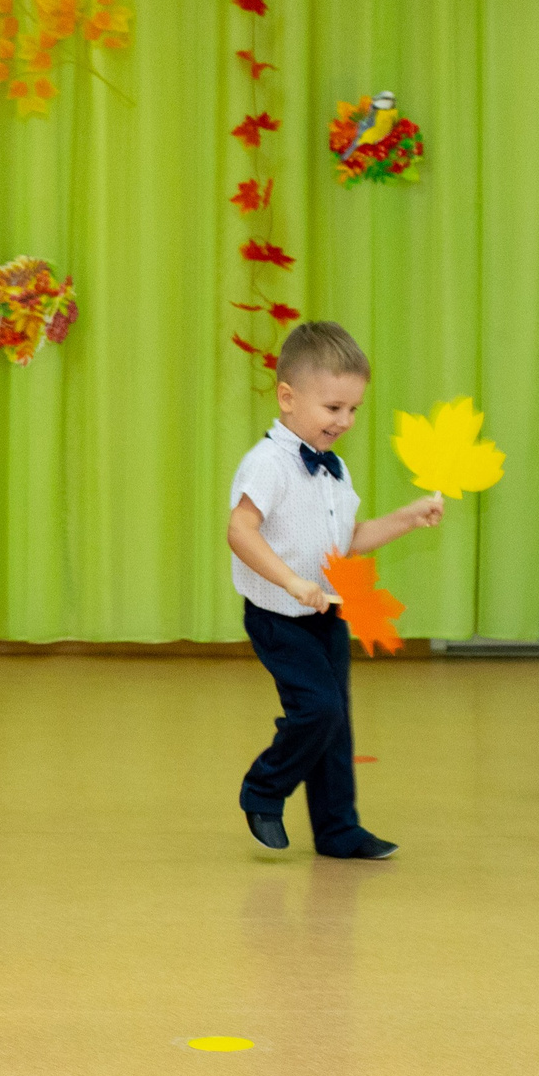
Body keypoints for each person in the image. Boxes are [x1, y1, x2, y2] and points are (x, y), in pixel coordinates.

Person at [225, 321, 442, 858]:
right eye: (333, 409)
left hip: (327, 613)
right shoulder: (268, 464)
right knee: (317, 711)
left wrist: (406, 518)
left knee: (336, 724)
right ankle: (263, 788)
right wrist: (294, 582)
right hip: (279, 616)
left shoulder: (334, 471)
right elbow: (240, 530)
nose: (344, 421)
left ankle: (338, 830)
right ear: (288, 397)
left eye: (353, 410)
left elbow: (347, 541)